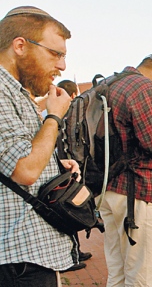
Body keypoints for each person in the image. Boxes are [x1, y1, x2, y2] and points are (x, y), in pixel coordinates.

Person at [0, 6, 81, 286]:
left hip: (26, 259)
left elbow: (24, 156)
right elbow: (24, 170)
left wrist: (54, 167)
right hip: (18, 263)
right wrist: (54, 116)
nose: (62, 66)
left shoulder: (17, 92)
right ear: (20, 45)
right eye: (55, 54)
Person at [98, 53, 152, 286]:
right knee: (144, 274)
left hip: (108, 188)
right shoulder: (142, 86)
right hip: (137, 192)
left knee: (117, 272)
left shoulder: (109, 83)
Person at [55, 80, 93, 273]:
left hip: (65, 169)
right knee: (70, 209)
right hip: (64, 173)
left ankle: (75, 251)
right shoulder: (60, 116)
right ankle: (73, 255)